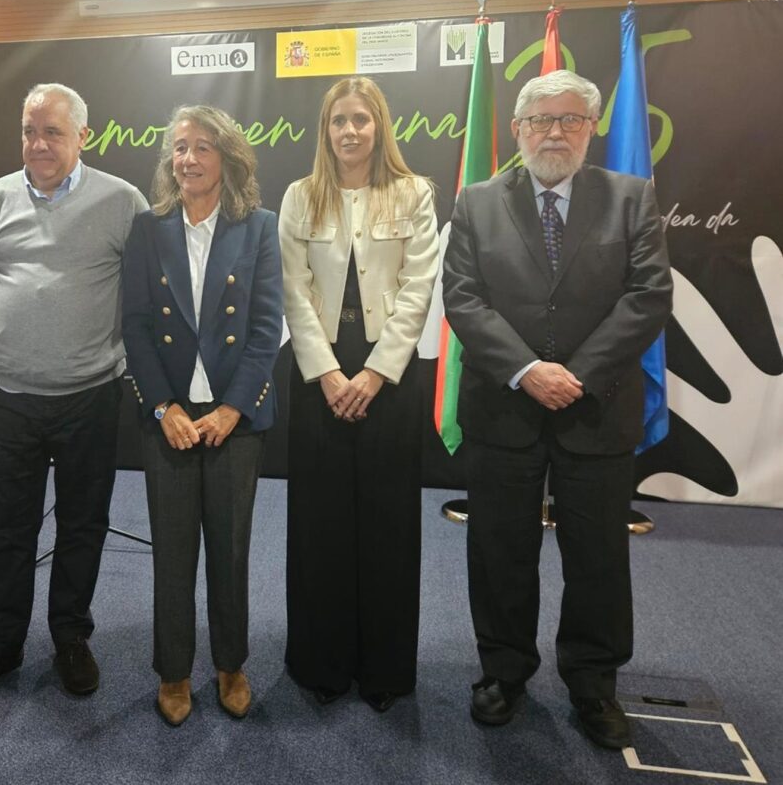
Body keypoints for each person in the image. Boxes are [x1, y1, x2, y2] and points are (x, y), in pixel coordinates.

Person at [442, 70, 673, 749]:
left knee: (598, 557)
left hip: (592, 408)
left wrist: (577, 373)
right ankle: (503, 673)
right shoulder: (476, 202)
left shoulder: (631, 197)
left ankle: (593, 681)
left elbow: (649, 295)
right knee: (499, 552)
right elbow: (463, 297)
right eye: (540, 120)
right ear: (516, 130)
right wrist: (525, 369)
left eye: (570, 119)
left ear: (592, 127)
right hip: (503, 406)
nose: (554, 132)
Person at [0, 83, 148, 704]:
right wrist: (30, 330)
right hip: (12, 395)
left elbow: (140, 292)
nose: (38, 143)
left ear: (82, 137)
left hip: (92, 395)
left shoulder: (124, 203)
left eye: (53, 132)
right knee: (6, 526)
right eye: (30, 131)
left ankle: (70, 637)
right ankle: (1, 646)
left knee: (84, 525)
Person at [278, 77, 439, 712]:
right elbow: (293, 292)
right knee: (319, 525)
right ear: (326, 129)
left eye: (361, 120)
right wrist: (327, 372)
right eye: (339, 120)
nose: (350, 131)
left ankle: (385, 669)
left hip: (388, 379)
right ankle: (321, 661)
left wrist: (373, 373)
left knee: (389, 525)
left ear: (380, 127)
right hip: (320, 377)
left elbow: (419, 288)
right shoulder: (299, 196)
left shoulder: (413, 192)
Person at [123, 105, 283, 726]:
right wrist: (162, 406)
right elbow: (136, 327)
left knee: (231, 546)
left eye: (202, 147)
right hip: (168, 416)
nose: (187, 158)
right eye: (180, 147)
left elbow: (267, 328)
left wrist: (231, 409)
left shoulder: (259, 227)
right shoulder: (149, 227)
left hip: (232, 418)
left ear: (229, 158)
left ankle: (231, 663)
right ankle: (173, 671)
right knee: (172, 550)